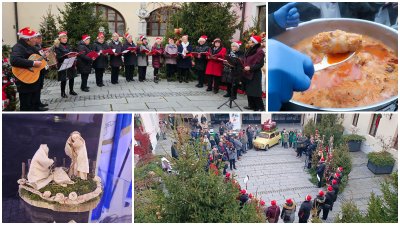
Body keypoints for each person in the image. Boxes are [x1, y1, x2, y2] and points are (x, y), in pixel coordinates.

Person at [10, 27, 43, 111]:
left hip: (33, 79)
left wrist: (45, 55)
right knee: (26, 106)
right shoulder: (18, 47)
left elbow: (38, 57)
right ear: (29, 39)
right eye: (34, 38)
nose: (36, 40)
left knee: (33, 103)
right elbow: (14, 60)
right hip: (24, 81)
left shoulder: (31, 46)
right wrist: (32, 63)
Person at [243, 35, 265, 111]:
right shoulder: (250, 49)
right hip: (247, 73)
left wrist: (250, 68)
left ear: (254, 42)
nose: (249, 42)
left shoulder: (260, 51)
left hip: (255, 74)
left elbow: (260, 64)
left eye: (251, 41)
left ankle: (260, 107)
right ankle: (251, 105)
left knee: (255, 91)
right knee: (249, 91)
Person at [54, 31, 77, 99]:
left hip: (70, 62)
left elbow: (71, 52)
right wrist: (66, 56)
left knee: (72, 77)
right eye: (63, 38)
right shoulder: (57, 46)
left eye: (66, 38)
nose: (65, 39)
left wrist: (73, 55)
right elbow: (58, 57)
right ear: (60, 39)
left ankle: (71, 90)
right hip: (62, 64)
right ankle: (63, 92)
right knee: (63, 79)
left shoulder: (68, 45)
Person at [33, 33, 49, 111]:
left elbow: (42, 57)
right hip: (37, 70)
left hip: (41, 69)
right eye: (39, 38)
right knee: (37, 88)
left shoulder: (39, 47)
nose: (40, 40)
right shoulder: (34, 47)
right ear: (35, 39)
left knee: (39, 87)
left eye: (41, 38)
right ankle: (36, 105)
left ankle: (39, 102)